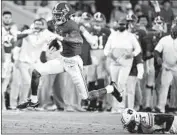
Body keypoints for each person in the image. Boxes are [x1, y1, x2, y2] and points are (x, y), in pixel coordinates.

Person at [17, 2, 122, 109]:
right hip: (62, 59)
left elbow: (78, 40)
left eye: (59, 14)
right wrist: (41, 29)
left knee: (86, 97)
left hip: (73, 62)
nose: (56, 17)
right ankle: (34, 101)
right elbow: (47, 24)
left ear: (66, 14)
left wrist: (60, 38)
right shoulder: (56, 22)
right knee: (36, 73)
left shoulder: (71, 25)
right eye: (56, 14)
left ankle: (111, 88)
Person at [104, 17, 142, 112]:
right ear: (117, 24)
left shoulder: (130, 36)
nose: (121, 26)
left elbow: (138, 49)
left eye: (123, 24)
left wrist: (131, 54)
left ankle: (121, 107)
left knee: (121, 83)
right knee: (114, 84)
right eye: (120, 24)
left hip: (126, 64)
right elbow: (106, 50)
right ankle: (115, 107)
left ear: (126, 25)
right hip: (114, 63)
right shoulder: (112, 35)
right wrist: (111, 56)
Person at [154, 24, 177, 113]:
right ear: (171, 30)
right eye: (174, 29)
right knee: (164, 86)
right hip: (166, 67)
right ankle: (161, 107)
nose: (175, 31)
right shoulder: (164, 39)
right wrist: (158, 58)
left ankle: (174, 107)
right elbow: (156, 51)